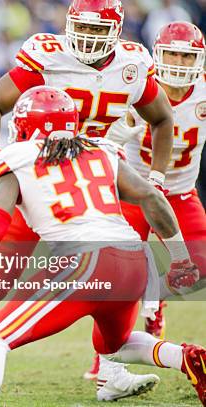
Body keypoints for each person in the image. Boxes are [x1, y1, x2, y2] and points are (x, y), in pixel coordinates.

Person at [0, 0, 175, 391]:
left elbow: (162, 118)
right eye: (84, 27)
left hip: (99, 174)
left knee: (119, 276)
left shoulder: (131, 64)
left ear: (116, 31)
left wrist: (157, 177)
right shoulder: (49, 54)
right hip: (39, 175)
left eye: (99, 30)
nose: (89, 38)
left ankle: (111, 373)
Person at [0, 86, 204, 407]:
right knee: (112, 346)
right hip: (133, 261)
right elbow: (151, 197)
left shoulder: (16, 157)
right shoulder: (102, 148)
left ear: (23, 127)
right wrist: (180, 259)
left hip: (83, 261)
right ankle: (185, 357)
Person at [83, 20, 206, 379]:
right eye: (172, 53)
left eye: (187, 55)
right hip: (136, 191)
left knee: (199, 268)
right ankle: (104, 358)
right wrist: (115, 134)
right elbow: (99, 131)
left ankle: (154, 294)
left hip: (181, 193)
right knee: (116, 280)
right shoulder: (137, 83)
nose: (180, 63)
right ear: (158, 52)